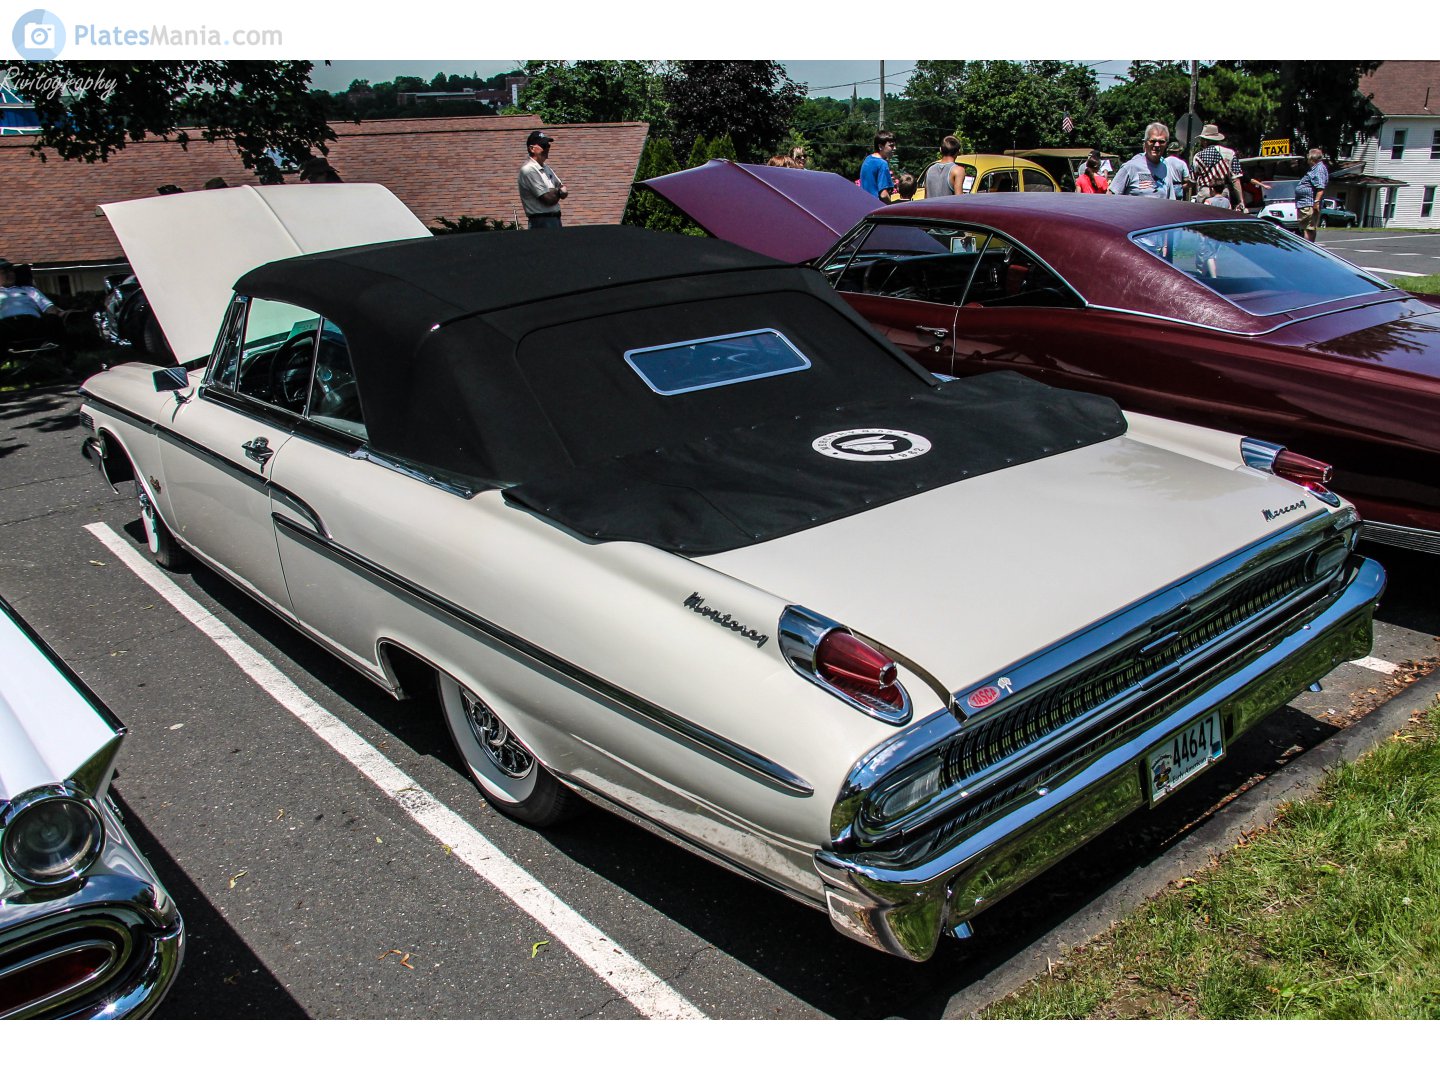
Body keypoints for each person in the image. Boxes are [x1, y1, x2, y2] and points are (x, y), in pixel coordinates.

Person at [0, 258, 66, 364]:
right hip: (8, 328)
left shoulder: (29, 290)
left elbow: (50, 308)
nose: (9, 274)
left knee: (53, 319)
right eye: (4, 272)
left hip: (33, 325)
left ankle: (64, 358)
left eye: (11, 271)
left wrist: (56, 315)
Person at [1108, 123, 1186, 199]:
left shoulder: (1166, 168)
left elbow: (1170, 201)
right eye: (1153, 141)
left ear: (1166, 144)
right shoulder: (1130, 167)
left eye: (1161, 142)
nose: (1157, 145)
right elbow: (1110, 197)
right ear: (1145, 143)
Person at [1190, 124, 1247, 213]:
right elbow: (1235, 179)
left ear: (1205, 141)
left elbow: (1193, 179)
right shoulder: (1230, 153)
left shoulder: (1198, 156)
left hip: (1205, 192)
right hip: (1222, 192)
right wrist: (1241, 201)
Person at [518, 129, 567, 229]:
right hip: (540, 221)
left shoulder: (546, 168)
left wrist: (555, 191)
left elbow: (562, 187)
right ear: (532, 149)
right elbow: (548, 199)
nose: (547, 148)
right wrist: (559, 192)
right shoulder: (529, 170)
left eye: (548, 145)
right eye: (544, 146)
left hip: (555, 219)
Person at [1295, 147, 1329, 242]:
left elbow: (1320, 187)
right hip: (1306, 203)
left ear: (1311, 158)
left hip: (1309, 203)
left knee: (1308, 228)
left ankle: (1307, 248)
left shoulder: (1319, 169)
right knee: (1308, 227)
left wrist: (1316, 202)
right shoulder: (1316, 169)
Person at [859, 130, 897, 202]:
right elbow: (883, 194)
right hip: (876, 207)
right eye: (891, 146)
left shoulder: (868, 159)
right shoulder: (882, 164)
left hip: (864, 204)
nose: (894, 148)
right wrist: (891, 207)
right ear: (880, 146)